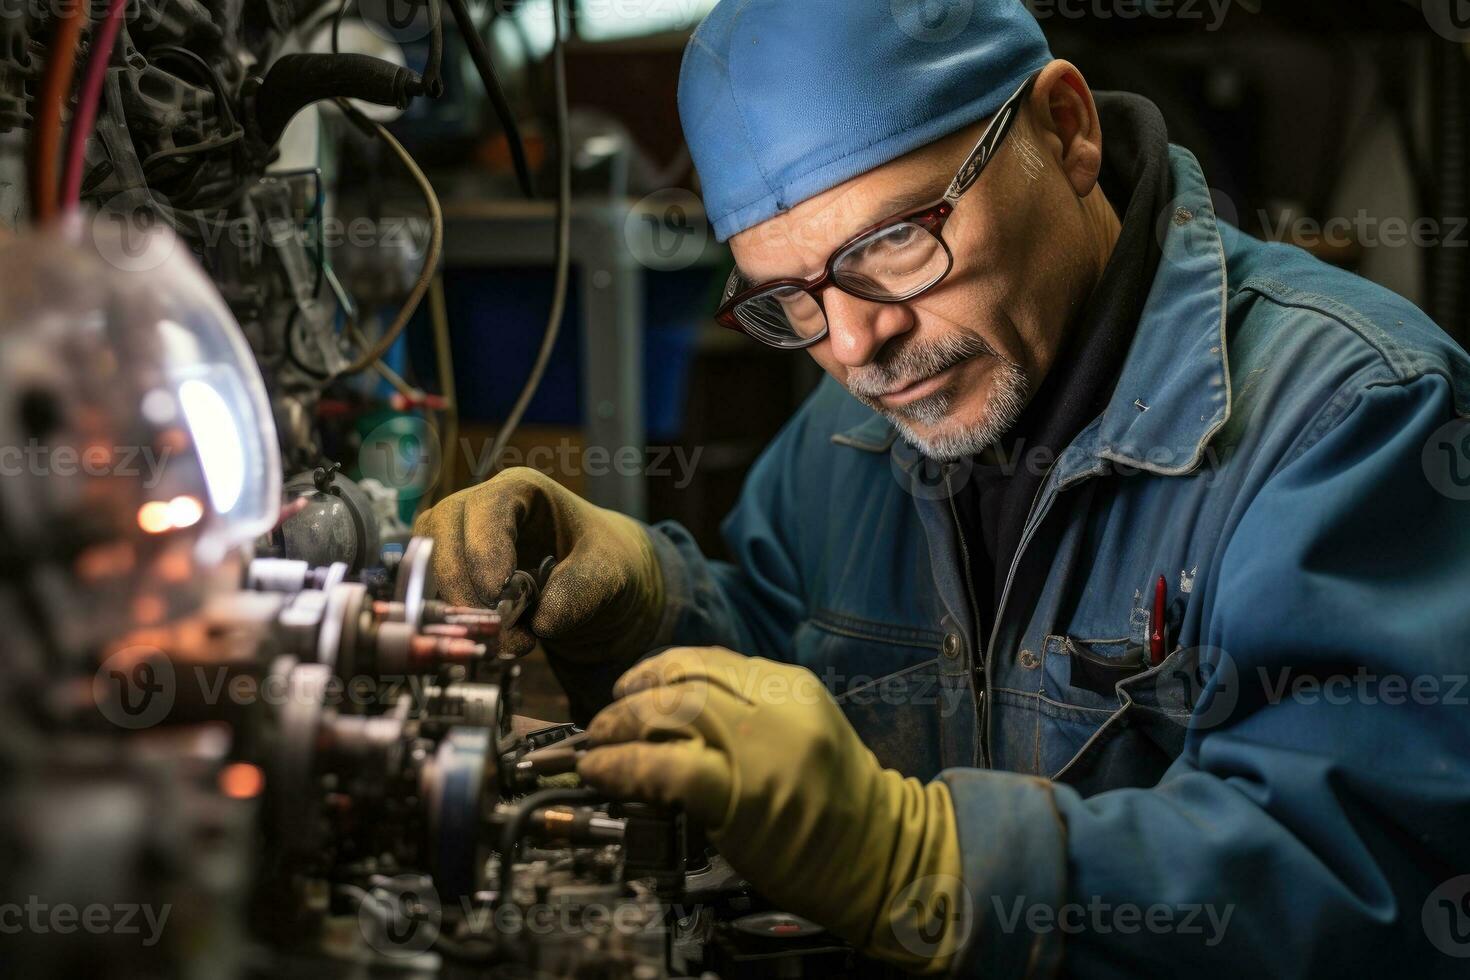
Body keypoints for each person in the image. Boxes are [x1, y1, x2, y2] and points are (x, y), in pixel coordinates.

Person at [416, 1, 1470, 974]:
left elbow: (1362, 874)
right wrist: (640, 606)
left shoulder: (1356, 416)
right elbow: (795, 670)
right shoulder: (849, 430)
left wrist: (924, 864)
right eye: (789, 296)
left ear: (1066, 131)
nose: (858, 340)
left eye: (894, 242)